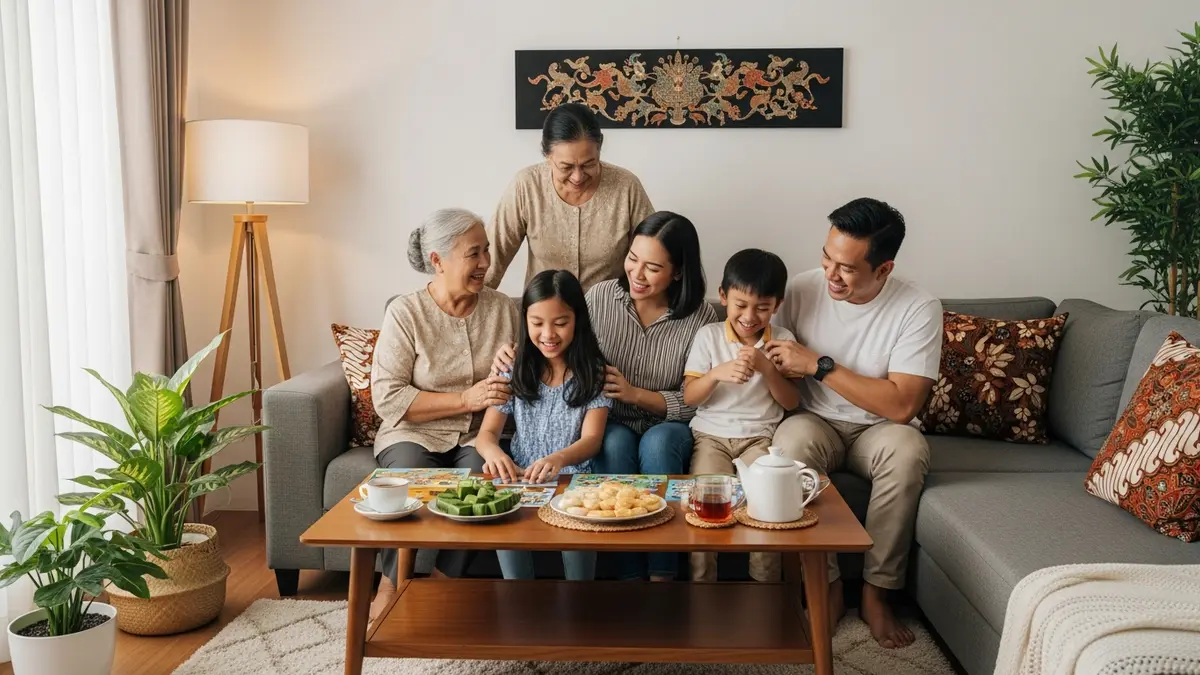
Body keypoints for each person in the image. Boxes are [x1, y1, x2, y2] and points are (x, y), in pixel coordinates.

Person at [493, 210, 716, 581]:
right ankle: (627, 571)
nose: (637, 275)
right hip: (609, 418)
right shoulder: (600, 297)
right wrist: (513, 350)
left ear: (678, 271)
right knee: (612, 445)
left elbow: (694, 397)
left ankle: (662, 572)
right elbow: (557, 334)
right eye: (633, 259)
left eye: (653, 267)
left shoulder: (700, 317)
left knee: (659, 445)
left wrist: (635, 393)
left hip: (668, 420)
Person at [764, 197, 941, 649]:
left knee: (908, 451)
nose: (830, 274)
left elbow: (902, 405)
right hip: (813, 419)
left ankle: (878, 593)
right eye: (826, 257)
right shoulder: (800, 289)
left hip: (877, 429)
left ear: (883, 270)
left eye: (846, 267)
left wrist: (819, 366)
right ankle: (825, 586)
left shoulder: (918, 307)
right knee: (789, 445)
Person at [369, 207, 520, 620]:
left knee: (483, 486)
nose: (486, 263)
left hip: (478, 434)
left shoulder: (503, 309)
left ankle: (439, 583)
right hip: (412, 433)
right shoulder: (406, 312)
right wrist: (463, 400)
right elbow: (387, 397)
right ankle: (390, 585)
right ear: (437, 260)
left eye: (486, 251)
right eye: (474, 254)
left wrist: (485, 430)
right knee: (409, 480)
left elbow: (507, 387)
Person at [475, 269, 609, 581]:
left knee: (579, 574)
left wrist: (558, 459)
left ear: (578, 320)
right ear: (525, 322)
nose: (548, 334)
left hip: (572, 482)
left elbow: (592, 440)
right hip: (519, 477)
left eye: (560, 323)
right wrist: (494, 454)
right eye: (537, 324)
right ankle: (519, 608)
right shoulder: (513, 366)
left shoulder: (594, 371)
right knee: (511, 555)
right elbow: (487, 434)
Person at [683, 249, 799, 583]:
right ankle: (702, 590)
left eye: (763, 308)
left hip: (761, 438)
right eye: (741, 305)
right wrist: (716, 373)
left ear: (777, 304)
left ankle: (765, 593)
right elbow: (690, 397)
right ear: (723, 297)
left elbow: (791, 402)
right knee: (704, 508)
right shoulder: (708, 336)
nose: (750, 316)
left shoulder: (783, 340)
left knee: (765, 507)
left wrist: (767, 369)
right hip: (711, 437)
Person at [485, 102, 655, 292]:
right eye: (566, 167)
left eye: (589, 164)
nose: (578, 177)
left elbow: (653, 255)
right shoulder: (527, 186)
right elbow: (491, 260)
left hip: (609, 313)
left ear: (599, 148)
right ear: (547, 155)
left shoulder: (626, 186)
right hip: (544, 316)